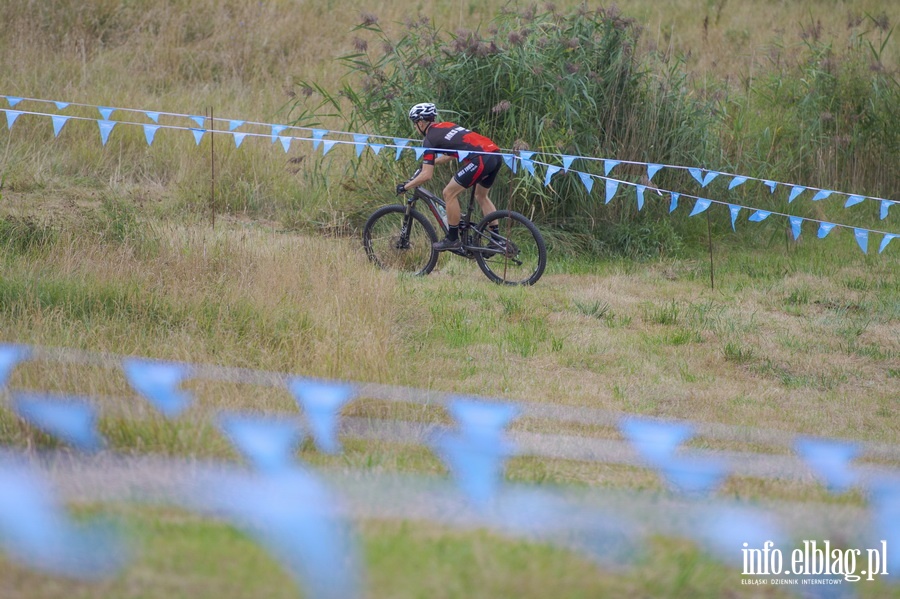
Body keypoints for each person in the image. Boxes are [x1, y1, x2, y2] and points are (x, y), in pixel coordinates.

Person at [395, 102, 502, 251]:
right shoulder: (446, 126)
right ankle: (497, 239)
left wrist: (405, 186)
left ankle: (452, 239)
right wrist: (432, 162)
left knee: (449, 193)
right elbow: (450, 154)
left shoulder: (429, 139)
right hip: (495, 155)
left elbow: (427, 175)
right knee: (481, 196)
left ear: (420, 122)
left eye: (415, 123)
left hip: (481, 160)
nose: (415, 127)